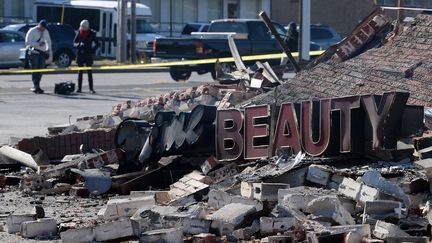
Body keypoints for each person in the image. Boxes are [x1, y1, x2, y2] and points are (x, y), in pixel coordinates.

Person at [25, 19, 51, 94]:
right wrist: (38, 44)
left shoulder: (45, 31)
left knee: (41, 69)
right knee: (35, 69)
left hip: (42, 53)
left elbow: (48, 41)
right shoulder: (32, 31)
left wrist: (48, 49)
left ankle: (37, 84)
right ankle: (35, 85)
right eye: (43, 27)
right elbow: (27, 42)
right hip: (34, 52)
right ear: (40, 25)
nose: (44, 29)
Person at [74, 20, 100, 93]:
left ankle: (91, 89)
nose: (81, 28)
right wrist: (78, 45)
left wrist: (92, 50)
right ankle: (79, 88)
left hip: (88, 54)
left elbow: (98, 44)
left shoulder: (91, 33)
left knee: (89, 72)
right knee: (80, 72)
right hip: (80, 54)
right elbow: (74, 43)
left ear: (86, 27)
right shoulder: (79, 32)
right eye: (81, 27)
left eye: (83, 27)